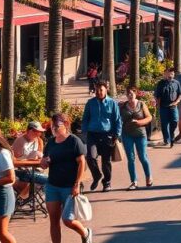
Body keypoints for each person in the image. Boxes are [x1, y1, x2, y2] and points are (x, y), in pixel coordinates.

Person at [41, 113, 91, 243]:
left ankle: (85, 232)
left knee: (67, 220)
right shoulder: (51, 143)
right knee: (53, 220)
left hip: (69, 186)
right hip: (52, 186)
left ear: (66, 125)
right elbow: (44, 162)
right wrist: (44, 162)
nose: (54, 128)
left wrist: (77, 184)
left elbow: (81, 162)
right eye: (52, 126)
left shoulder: (74, 141)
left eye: (57, 126)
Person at [81, 80, 122, 192]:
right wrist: (84, 132)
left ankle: (107, 182)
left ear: (106, 90)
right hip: (92, 134)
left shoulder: (112, 103)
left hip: (107, 135)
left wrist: (117, 134)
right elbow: (85, 118)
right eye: (97, 90)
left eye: (101, 90)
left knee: (106, 161)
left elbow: (118, 120)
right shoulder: (90, 103)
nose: (98, 92)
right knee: (90, 157)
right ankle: (97, 175)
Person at [119, 86, 153, 190]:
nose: (129, 95)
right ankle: (134, 181)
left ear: (136, 94)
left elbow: (149, 117)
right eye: (128, 94)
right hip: (127, 134)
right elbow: (117, 118)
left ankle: (148, 177)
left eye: (131, 93)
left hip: (140, 134)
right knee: (130, 158)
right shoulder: (123, 106)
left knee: (142, 157)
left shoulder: (141, 104)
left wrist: (139, 122)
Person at [11, 121, 47, 199]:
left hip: (32, 169)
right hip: (20, 171)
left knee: (50, 179)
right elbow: (13, 160)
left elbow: (40, 158)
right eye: (37, 132)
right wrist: (26, 161)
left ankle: (27, 198)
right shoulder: (20, 141)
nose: (39, 134)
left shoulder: (39, 141)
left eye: (40, 132)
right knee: (48, 180)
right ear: (30, 131)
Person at [153, 68, 181, 147]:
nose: (170, 75)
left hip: (173, 106)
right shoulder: (160, 83)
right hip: (163, 106)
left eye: (172, 74)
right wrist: (157, 106)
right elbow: (156, 95)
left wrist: (176, 102)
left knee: (175, 121)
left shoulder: (176, 83)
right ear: (165, 74)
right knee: (164, 124)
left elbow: (180, 94)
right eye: (168, 73)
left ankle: (172, 134)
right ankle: (167, 139)